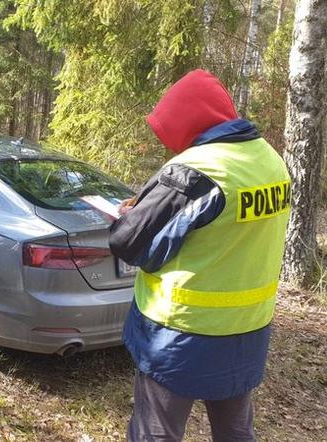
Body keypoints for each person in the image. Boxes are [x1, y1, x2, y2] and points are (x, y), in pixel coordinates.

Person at [109, 69, 291, 441]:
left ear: (187, 124)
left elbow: (130, 242)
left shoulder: (197, 170)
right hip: (248, 330)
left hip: (181, 333)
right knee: (236, 431)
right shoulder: (270, 160)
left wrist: (129, 216)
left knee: (156, 432)